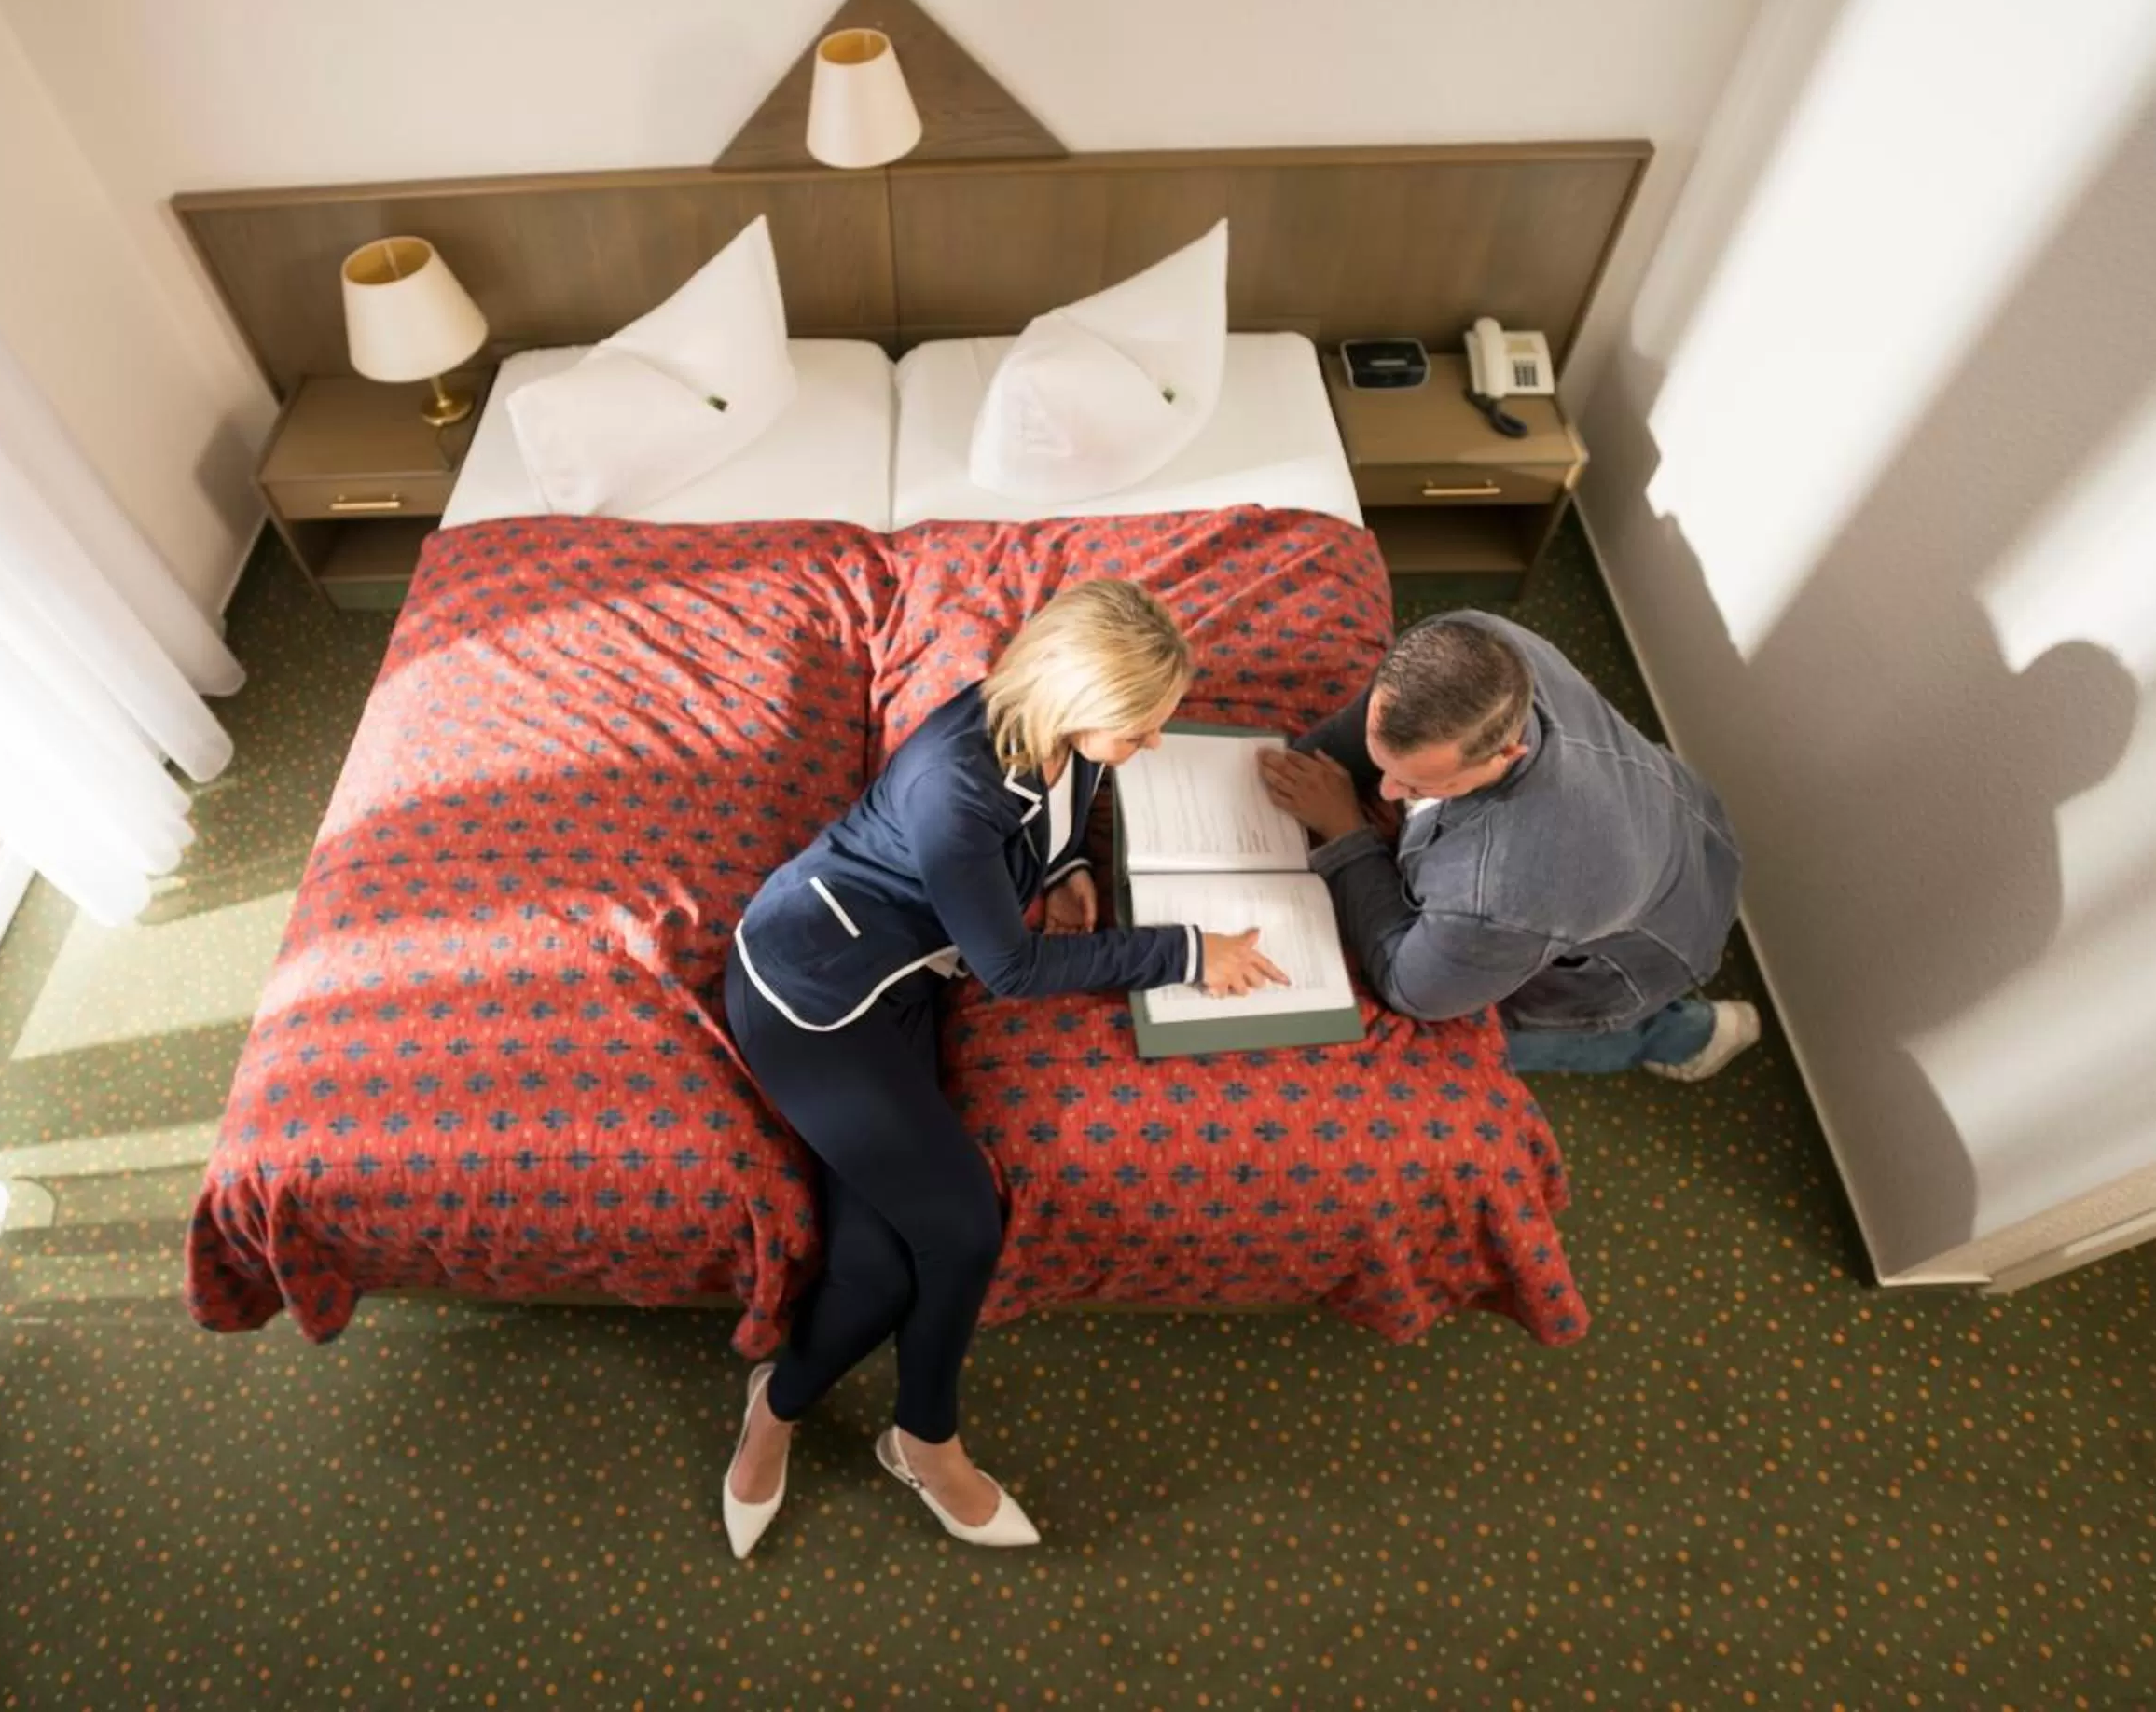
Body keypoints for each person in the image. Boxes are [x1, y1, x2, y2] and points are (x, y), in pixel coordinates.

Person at [719, 580, 1286, 1558]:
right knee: (964, 1227)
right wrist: (1188, 952)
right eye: (1139, 728)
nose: (1152, 745)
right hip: (814, 999)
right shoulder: (956, 784)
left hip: (904, 982)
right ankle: (918, 1437)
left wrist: (1063, 874)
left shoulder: (1060, 736)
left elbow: (1056, 822)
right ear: (1070, 700)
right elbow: (1011, 969)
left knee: (876, 1264)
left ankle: (784, 1399)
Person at [1253, 610, 1757, 1082]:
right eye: (1383, 764)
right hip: (1667, 808)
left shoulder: (1511, 890)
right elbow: (1352, 737)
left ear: (1507, 754)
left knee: (1501, 1041)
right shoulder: (1468, 640)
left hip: (1656, 935)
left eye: (1418, 785)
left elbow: (1414, 990)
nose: (1386, 791)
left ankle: (1688, 1036)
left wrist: (1346, 832)